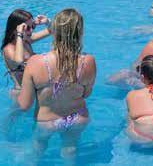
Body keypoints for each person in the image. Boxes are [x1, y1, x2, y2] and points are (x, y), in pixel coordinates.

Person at [17, 9, 97, 160]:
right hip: (77, 118)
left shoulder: (36, 62)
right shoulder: (88, 61)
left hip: (46, 121)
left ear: (54, 32)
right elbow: (86, 94)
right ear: (79, 33)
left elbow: (24, 105)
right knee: (70, 149)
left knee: (37, 150)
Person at [1, 9, 52, 95]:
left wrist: (48, 22)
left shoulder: (26, 40)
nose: (31, 30)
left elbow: (52, 30)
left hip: (35, 88)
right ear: (16, 29)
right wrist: (20, 34)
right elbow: (19, 60)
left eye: (33, 26)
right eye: (27, 28)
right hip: (21, 92)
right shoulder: (9, 49)